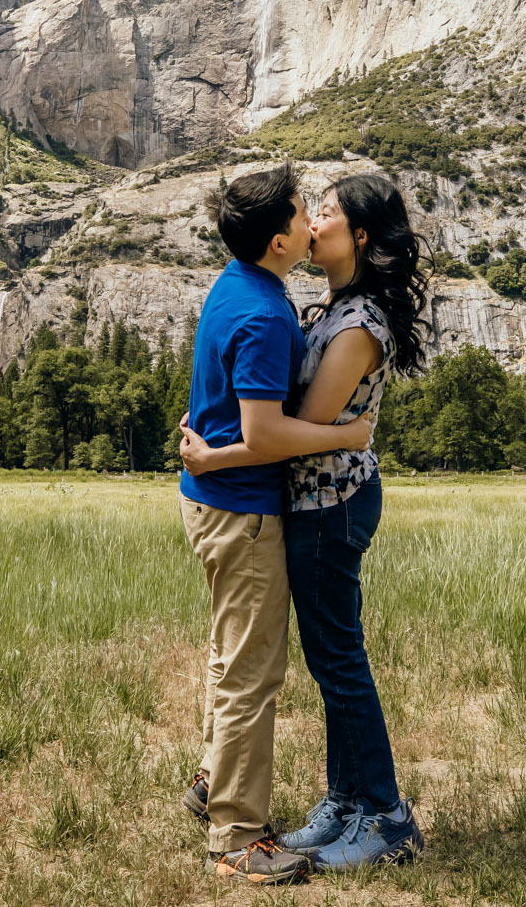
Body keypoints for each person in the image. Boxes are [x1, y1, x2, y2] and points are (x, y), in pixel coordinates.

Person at [182, 172, 428, 871]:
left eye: (326, 211)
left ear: (360, 237)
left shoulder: (357, 324)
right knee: (329, 660)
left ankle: (381, 812)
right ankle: (346, 800)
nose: (315, 220)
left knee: (339, 660)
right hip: (308, 500)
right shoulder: (328, 302)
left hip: (331, 505)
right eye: (308, 209)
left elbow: (297, 428)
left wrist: (215, 454)